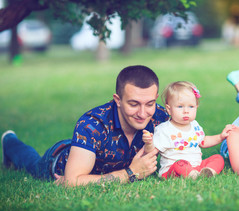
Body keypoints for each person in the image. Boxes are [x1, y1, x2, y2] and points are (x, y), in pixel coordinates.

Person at [1, 65, 169, 186]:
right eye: (133, 104)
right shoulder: (92, 125)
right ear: (117, 100)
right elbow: (73, 181)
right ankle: (9, 141)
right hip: (58, 161)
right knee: (29, 162)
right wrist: (130, 173)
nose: (142, 113)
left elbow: (189, 135)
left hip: (85, 151)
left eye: (149, 103)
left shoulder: (160, 116)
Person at [143, 81, 235, 180]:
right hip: (173, 170)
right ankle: (191, 174)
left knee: (218, 158)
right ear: (169, 109)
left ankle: (208, 172)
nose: (186, 111)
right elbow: (151, 152)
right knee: (180, 163)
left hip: (196, 166)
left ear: (196, 107)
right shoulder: (164, 130)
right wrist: (149, 143)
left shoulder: (195, 125)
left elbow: (203, 141)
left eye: (191, 106)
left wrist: (221, 137)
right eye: (180, 106)